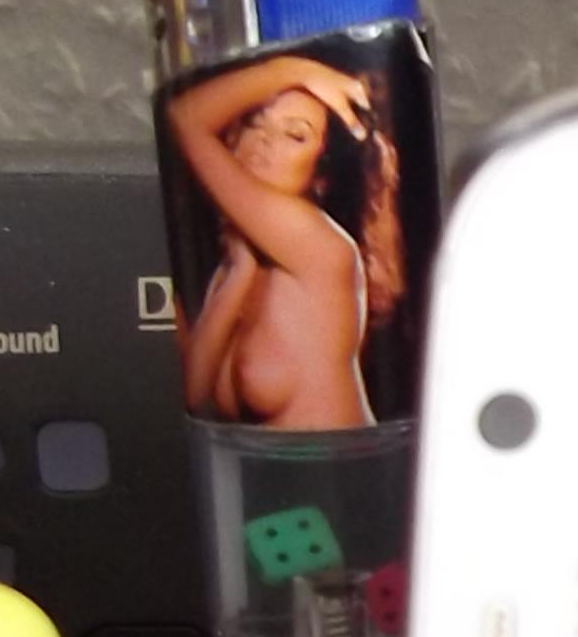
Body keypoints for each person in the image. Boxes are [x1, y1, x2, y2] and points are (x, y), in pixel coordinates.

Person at [165, 51, 405, 430]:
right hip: (265, 467)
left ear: (321, 175)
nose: (264, 142)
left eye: (295, 135)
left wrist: (294, 70)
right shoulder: (242, 256)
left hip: (348, 466)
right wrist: (238, 274)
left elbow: (185, 117)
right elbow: (195, 395)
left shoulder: (316, 242)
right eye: (254, 123)